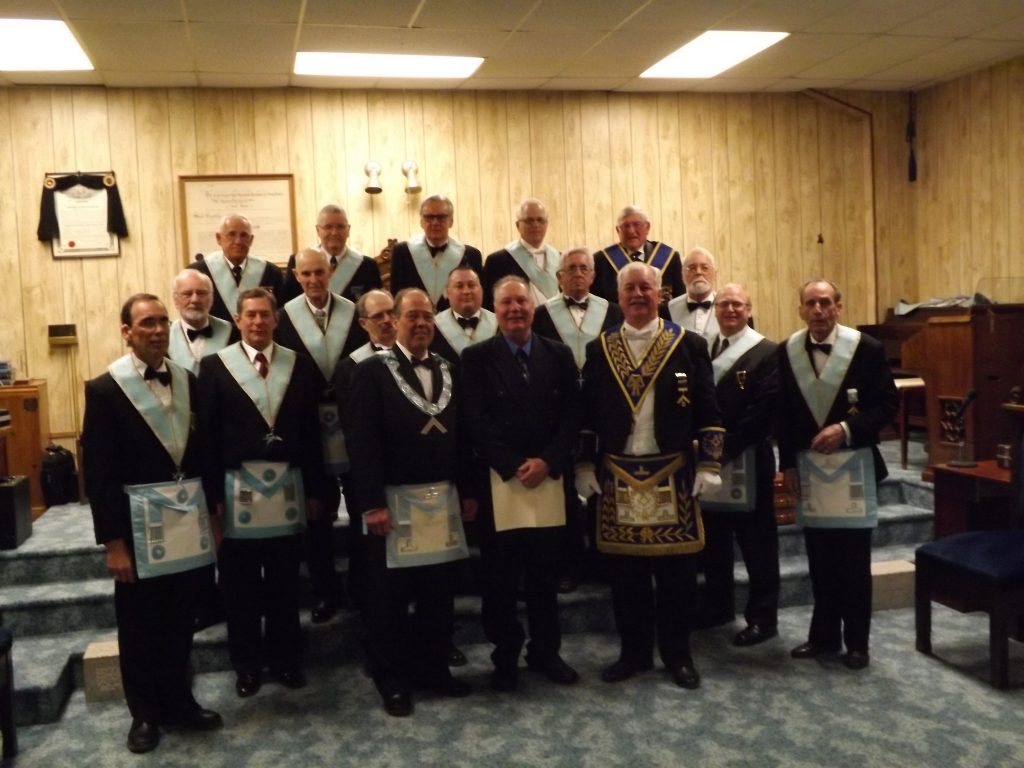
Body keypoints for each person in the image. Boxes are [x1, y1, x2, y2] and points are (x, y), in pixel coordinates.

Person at [82, 294, 222, 754]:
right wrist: (113, 543)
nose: (158, 330)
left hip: (185, 523)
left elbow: (202, 455)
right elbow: (99, 475)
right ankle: (143, 714)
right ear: (127, 331)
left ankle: (179, 701)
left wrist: (213, 515)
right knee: (141, 625)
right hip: (136, 527)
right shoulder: (105, 389)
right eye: (147, 323)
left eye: (163, 321)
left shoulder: (186, 380)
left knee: (182, 618)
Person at [577, 261, 723, 689]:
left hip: (673, 472)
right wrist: (584, 464)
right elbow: (586, 416)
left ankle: (678, 655)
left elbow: (709, 410)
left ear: (660, 293)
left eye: (646, 288)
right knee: (626, 578)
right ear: (618, 296)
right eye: (629, 289)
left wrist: (711, 464)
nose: (638, 295)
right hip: (617, 476)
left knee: (678, 578)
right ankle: (634, 654)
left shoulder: (690, 345)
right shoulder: (599, 349)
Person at [346, 288, 474, 717]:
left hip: (442, 501)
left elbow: (462, 440)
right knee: (389, 599)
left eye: (427, 317)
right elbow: (361, 445)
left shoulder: (448, 369)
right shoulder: (371, 372)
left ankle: (434, 669)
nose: (420, 323)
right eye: (411, 316)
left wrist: (468, 491)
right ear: (394, 321)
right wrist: (370, 504)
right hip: (393, 504)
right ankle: (393, 680)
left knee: (438, 594)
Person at [198, 288, 326, 698]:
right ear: (237, 320)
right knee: (240, 586)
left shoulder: (300, 367)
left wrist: (315, 488)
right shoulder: (216, 368)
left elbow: (312, 435)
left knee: (286, 583)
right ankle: (247, 665)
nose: (257, 322)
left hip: (287, 487)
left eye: (264, 315)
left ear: (275, 320)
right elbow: (209, 437)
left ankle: (287, 659)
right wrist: (213, 496)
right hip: (237, 492)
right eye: (249, 315)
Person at [461, 275, 583, 692]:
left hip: (548, 481)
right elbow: (474, 420)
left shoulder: (560, 355)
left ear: (534, 307)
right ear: (495, 310)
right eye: (507, 303)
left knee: (545, 578)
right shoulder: (475, 358)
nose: (515, 309)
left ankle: (546, 651)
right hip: (501, 484)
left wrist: (547, 461)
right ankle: (506, 656)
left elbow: (572, 416)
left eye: (522, 302)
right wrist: (514, 465)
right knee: (500, 581)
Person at [778, 279, 897, 671]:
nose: (818, 310)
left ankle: (857, 643)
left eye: (825, 302)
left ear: (839, 307)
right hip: (810, 469)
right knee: (819, 558)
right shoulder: (787, 351)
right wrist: (788, 465)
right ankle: (823, 637)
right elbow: (785, 416)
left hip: (853, 467)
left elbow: (886, 407)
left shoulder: (867, 349)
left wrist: (846, 430)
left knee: (853, 561)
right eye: (810, 303)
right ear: (801, 309)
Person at [275, 248, 363, 623]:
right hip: (309, 430)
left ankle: (363, 587)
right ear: (296, 276)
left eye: (319, 273)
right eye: (306, 274)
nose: (313, 280)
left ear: (331, 272)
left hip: (354, 424)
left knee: (362, 507)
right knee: (317, 513)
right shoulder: (284, 318)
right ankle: (325, 591)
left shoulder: (354, 312)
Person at [532, 246, 624, 592]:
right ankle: (569, 563)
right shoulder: (542, 315)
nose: (577, 274)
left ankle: (605, 561)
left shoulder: (613, 311)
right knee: (566, 494)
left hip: (604, 415)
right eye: (570, 268)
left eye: (584, 268)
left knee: (604, 487)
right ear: (559, 277)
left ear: (594, 275)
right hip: (559, 416)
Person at [697, 283, 781, 645]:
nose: (730, 310)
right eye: (724, 304)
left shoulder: (767, 352)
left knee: (757, 544)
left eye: (737, 304)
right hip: (710, 463)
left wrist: (723, 448)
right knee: (714, 541)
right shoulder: (705, 349)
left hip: (748, 458)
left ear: (749, 309)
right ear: (716, 310)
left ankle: (763, 617)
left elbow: (765, 412)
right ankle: (718, 606)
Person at [333, 289, 398, 612]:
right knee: (374, 563)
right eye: (378, 316)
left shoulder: (422, 356)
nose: (387, 321)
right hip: (369, 478)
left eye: (391, 313)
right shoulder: (349, 367)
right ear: (363, 323)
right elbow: (353, 430)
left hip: (409, 476)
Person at [388, 194, 483, 311]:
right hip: (416, 320)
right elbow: (397, 297)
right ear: (421, 222)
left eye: (441, 217)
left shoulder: (471, 255)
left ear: (451, 221)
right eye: (429, 217)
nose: (435, 222)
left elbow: (478, 300)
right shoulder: (402, 251)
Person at [187, 213, 284, 322]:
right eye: (231, 234)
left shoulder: (271, 273)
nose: (238, 241)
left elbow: (277, 316)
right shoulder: (198, 272)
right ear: (218, 238)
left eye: (243, 235)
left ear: (251, 240)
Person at [279, 204, 382, 305]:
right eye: (328, 227)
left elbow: (376, 307)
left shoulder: (367, 265)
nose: (334, 232)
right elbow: (288, 305)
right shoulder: (297, 261)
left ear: (348, 230)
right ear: (318, 230)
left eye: (340, 227)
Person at [591, 206, 684, 304]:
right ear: (618, 230)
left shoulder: (670, 258)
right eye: (626, 226)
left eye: (637, 224)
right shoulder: (601, 261)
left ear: (647, 227)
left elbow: (680, 302)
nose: (631, 231)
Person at [482, 198, 561, 310]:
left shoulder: (560, 258)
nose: (535, 225)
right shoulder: (497, 261)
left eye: (540, 220)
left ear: (547, 224)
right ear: (518, 225)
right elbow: (489, 304)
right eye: (529, 220)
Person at [167, 268, 237, 374]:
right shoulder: (163, 337)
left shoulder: (234, 333)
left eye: (201, 293)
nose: (195, 300)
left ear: (211, 298)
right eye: (187, 294)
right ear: (175, 300)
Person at [430, 265, 497, 365]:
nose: (466, 291)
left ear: (482, 290)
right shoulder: (433, 328)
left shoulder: (500, 325)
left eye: (471, 285)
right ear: (447, 293)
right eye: (459, 286)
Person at [665, 246, 719, 341]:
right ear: (682, 275)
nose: (698, 272)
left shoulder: (731, 307)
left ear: (715, 273)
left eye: (705, 268)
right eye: (692, 268)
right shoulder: (666, 310)